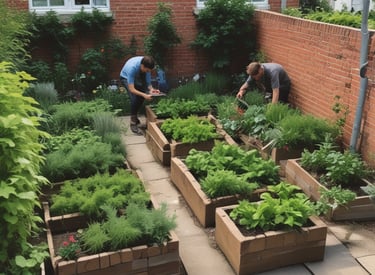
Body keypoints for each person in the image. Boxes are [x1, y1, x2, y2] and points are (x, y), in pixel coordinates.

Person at [120, 56, 160, 134]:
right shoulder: (132, 68)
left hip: (138, 74)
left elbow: (148, 83)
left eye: (149, 71)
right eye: (147, 70)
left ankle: (135, 118)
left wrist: (152, 90)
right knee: (134, 98)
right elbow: (132, 89)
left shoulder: (146, 67)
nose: (148, 72)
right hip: (125, 77)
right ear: (142, 66)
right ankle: (133, 122)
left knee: (142, 95)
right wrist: (144, 95)